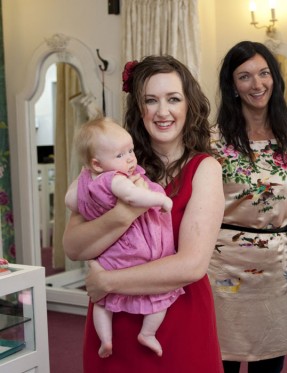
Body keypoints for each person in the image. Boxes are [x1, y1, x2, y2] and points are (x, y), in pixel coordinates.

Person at [62, 55, 224, 372]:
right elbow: (74, 247)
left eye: (173, 99)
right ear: (139, 109)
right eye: (151, 100)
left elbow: (191, 265)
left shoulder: (204, 169)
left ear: (189, 105)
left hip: (177, 321)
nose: (162, 111)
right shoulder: (107, 163)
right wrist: (124, 213)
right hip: (114, 327)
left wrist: (107, 281)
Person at [209, 40, 287, 373]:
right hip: (222, 267)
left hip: (276, 267)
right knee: (219, 362)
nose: (257, 84)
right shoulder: (211, 141)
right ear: (232, 86)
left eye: (264, 73)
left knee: (270, 365)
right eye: (245, 76)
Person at [65, 117, 182, 358]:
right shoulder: (115, 179)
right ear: (97, 163)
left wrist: (83, 186)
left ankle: (106, 339)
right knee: (159, 298)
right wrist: (161, 199)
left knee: (102, 302)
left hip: (110, 255)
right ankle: (148, 333)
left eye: (130, 151)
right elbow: (132, 198)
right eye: (120, 155)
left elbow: (71, 201)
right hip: (134, 251)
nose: (130, 158)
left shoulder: (88, 179)